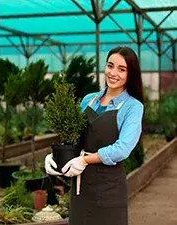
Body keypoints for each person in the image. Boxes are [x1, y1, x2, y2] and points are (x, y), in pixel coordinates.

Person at [45, 46, 144, 225]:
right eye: (110, 66)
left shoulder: (133, 107)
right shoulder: (88, 100)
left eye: (121, 69)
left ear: (131, 74)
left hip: (110, 189)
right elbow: (75, 139)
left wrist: (84, 160)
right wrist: (56, 156)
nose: (113, 73)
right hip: (81, 189)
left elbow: (122, 148)